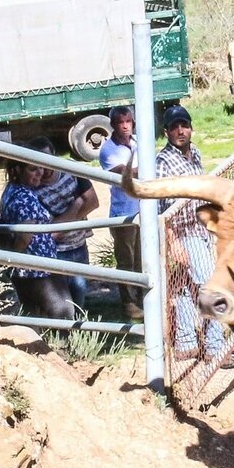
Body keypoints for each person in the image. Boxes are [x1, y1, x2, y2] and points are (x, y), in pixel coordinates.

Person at [155, 105, 225, 360]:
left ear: (191, 128)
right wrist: (173, 242)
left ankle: (186, 341)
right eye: (174, 127)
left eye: (184, 125)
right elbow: (160, 209)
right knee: (211, 286)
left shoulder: (194, 153)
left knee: (185, 286)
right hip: (183, 232)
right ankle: (215, 346)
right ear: (166, 132)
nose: (180, 131)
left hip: (201, 228)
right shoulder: (163, 163)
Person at [0, 156, 88, 322]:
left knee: (35, 315)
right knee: (64, 314)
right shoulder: (24, 198)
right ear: (17, 170)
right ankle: (62, 346)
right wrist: (12, 259)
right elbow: (25, 235)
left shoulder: (11, 190)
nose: (40, 173)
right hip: (38, 270)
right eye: (33, 169)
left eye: (40, 167)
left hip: (29, 269)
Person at [27, 136, 99, 312]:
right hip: (55, 252)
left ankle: (78, 332)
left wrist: (64, 219)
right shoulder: (32, 188)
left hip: (79, 245)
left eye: (49, 159)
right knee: (63, 306)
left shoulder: (70, 169)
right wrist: (77, 204)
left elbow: (93, 201)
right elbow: (51, 232)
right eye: (39, 163)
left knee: (79, 296)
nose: (45, 168)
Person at [98, 106, 144, 320]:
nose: (125, 126)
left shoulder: (136, 143)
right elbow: (124, 174)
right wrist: (146, 168)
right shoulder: (108, 150)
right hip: (123, 213)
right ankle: (128, 303)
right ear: (113, 126)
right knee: (126, 259)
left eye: (128, 121)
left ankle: (143, 298)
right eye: (120, 122)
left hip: (141, 209)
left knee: (142, 259)